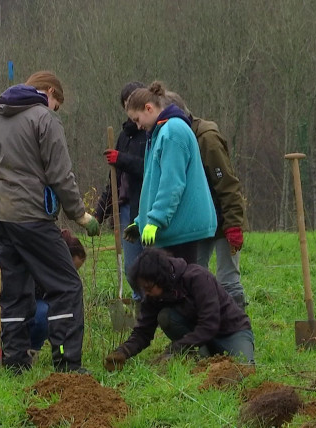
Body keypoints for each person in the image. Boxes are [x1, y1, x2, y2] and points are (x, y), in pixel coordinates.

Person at [0, 71, 99, 374]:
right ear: (49, 92)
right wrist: (80, 214)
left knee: (14, 289)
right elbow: (60, 175)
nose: (56, 110)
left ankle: (15, 362)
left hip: (0, 218)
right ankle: (66, 363)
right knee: (65, 287)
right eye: (57, 103)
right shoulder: (44, 119)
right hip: (33, 219)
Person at [103, 248, 254, 372]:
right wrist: (123, 352)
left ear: (160, 278)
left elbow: (210, 324)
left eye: (148, 288)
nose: (146, 293)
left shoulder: (198, 278)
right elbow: (143, 331)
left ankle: (200, 353)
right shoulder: (153, 295)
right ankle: (201, 354)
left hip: (231, 330)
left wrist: (176, 347)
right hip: (200, 336)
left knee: (244, 370)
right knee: (166, 316)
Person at [164, 91, 249, 310]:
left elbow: (227, 184)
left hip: (223, 220)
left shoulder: (207, 140)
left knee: (228, 280)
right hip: (199, 222)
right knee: (194, 275)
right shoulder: (175, 139)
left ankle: (238, 331)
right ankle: (206, 328)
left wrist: (233, 224)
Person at [122, 81, 216, 264]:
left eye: (136, 120)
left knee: (180, 288)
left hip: (182, 231)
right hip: (173, 228)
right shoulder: (158, 133)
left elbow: (172, 184)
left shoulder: (173, 131)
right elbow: (152, 184)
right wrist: (142, 221)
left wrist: (155, 220)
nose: (138, 126)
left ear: (148, 108)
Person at [0, 229, 86, 356]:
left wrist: (63, 350)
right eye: (70, 269)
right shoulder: (20, 254)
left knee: (47, 311)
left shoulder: (56, 280)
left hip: (20, 310)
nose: (69, 275)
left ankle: (29, 350)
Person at [95, 81, 149, 300]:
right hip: (126, 209)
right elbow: (114, 181)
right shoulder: (123, 136)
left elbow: (150, 168)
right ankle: (140, 307)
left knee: (152, 265)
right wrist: (100, 213)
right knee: (132, 268)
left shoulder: (151, 133)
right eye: (127, 104)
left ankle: (155, 306)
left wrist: (122, 159)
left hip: (146, 206)